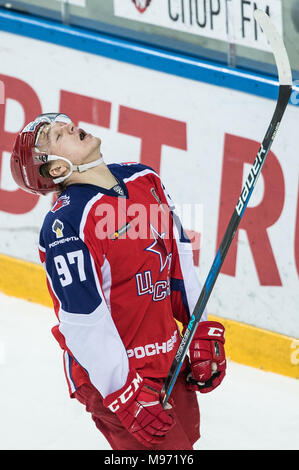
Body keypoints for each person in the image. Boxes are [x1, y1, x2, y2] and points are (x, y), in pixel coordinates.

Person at [10, 113, 227, 450]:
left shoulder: (144, 177)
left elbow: (178, 259)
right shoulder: (67, 223)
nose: (69, 125)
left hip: (167, 355)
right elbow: (83, 320)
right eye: (56, 136)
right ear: (56, 169)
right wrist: (120, 389)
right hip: (115, 376)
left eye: (64, 123)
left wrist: (198, 323)